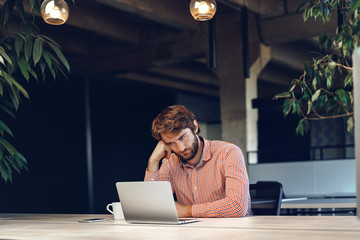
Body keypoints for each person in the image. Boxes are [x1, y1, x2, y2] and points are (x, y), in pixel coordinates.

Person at [144, 105, 251, 218]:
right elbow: (152, 207)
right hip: (192, 232)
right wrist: (153, 161)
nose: (180, 148)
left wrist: (187, 211)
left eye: (182, 137)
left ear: (195, 127)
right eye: (171, 143)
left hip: (233, 232)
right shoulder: (170, 162)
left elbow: (237, 206)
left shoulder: (228, 153)